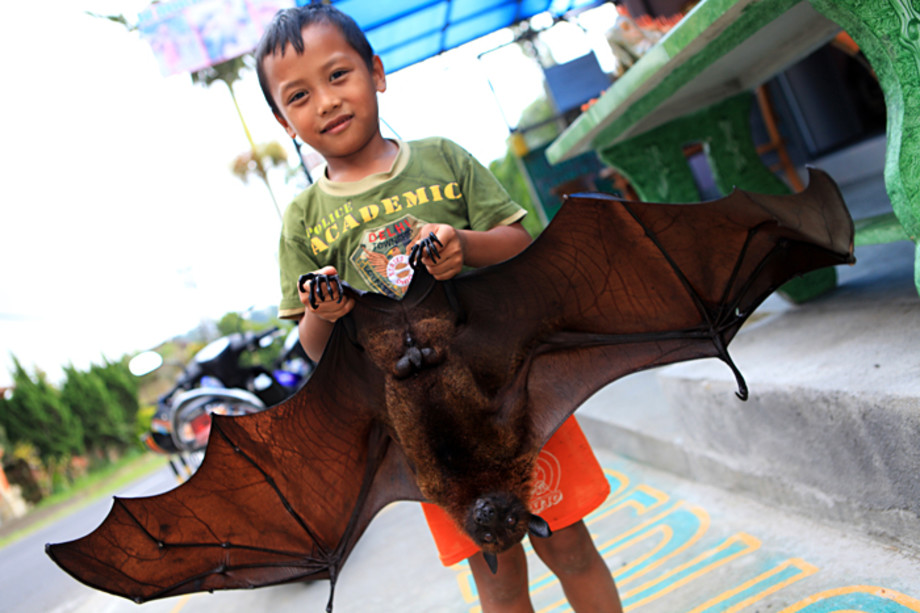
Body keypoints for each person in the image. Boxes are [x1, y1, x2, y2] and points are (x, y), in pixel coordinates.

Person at [255, 5, 623, 612]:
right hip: (434, 436)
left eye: (338, 75)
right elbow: (313, 347)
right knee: (497, 576)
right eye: (299, 95)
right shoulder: (302, 220)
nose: (325, 101)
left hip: (513, 392)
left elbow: (520, 246)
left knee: (570, 547)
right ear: (284, 120)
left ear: (375, 73)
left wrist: (465, 246)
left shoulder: (442, 160)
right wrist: (327, 307)